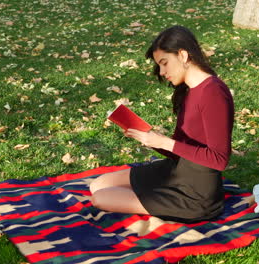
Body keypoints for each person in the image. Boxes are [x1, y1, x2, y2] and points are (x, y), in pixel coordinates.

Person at [90, 25, 235, 223]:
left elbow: (219, 159)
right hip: (175, 172)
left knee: (100, 198)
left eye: (164, 63)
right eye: (159, 65)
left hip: (195, 196)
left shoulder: (213, 93)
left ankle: (160, 201)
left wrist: (165, 142)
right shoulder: (189, 90)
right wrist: (151, 140)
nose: (162, 71)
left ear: (183, 55)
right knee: (98, 185)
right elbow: (181, 150)